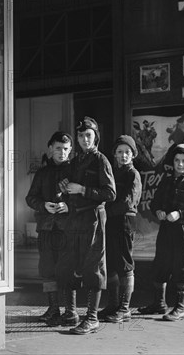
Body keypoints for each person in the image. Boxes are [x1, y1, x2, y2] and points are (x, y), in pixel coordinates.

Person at [57, 117, 116, 335]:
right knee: (69, 263)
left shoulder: (101, 161)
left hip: (93, 218)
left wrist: (83, 190)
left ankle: (92, 318)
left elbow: (110, 193)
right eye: (80, 136)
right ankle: (71, 313)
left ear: (95, 137)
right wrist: (64, 187)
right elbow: (67, 188)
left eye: (88, 135)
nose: (84, 139)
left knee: (93, 267)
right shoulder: (74, 162)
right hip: (74, 218)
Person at [138, 143, 184, 321]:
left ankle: (180, 307)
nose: (180, 164)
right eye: (177, 160)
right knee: (161, 264)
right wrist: (158, 211)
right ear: (173, 162)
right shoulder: (165, 181)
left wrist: (180, 214)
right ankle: (159, 303)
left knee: (182, 266)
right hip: (166, 229)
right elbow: (154, 203)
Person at [25, 131, 73, 326]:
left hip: (68, 229)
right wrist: (43, 205)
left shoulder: (75, 171)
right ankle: (53, 307)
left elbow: (84, 199)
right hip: (46, 228)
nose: (62, 152)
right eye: (58, 148)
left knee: (68, 269)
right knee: (47, 269)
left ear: (70, 151)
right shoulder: (42, 173)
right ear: (50, 149)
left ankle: (70, 310)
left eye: (66, 149)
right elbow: (30, 198)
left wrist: (69, 205)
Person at [98, 135, 142, 323]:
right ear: (114, 155)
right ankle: (113, 304)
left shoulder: (133, 174)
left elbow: (128, 201)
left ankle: (125, 308)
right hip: (112, 222)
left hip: (125, 221)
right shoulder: (113, 173)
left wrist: (107, 209)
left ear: (133, 154)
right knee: (112, 263)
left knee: (124, 264)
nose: (123, 156)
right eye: (120, 152)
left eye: (127, 152)